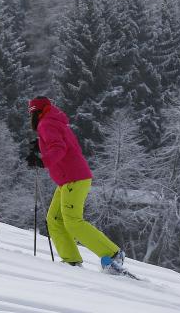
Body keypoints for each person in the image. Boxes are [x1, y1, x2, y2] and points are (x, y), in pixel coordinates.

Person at [26, 96, 128, 274]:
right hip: (69, 179)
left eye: (31, 113)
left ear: (36, 112)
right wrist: (41, 147)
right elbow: (63, 144)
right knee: (55, 219)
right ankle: (71, 260)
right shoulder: (54, 121)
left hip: (73, 178)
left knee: (72, 221)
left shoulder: (46, 124)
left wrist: (42, 161)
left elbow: (59, 148)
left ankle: (112, 254)